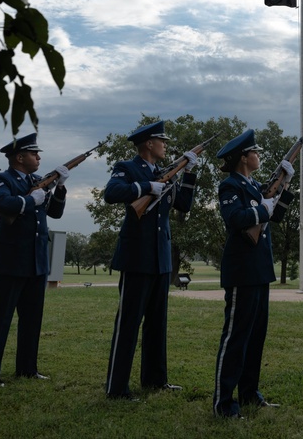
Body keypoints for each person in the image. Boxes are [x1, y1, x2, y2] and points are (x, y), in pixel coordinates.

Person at [103, 120, 199, 400]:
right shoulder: (127, 168)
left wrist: (188, 172)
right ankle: (116, 387)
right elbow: (111, 193)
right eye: (162, 141)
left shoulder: (164, 173)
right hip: (137, 257)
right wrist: (145, 187)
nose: (165, 145)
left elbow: (184, 205)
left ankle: (155, 380)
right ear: (148, 143)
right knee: (128, 323)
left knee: (157, 323)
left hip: (161, 259)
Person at [212, 129, 295, 419]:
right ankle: (223, 403)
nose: (258, 155)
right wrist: (262, 208)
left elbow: (276, 215)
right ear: (244, 158)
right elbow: (235, 218)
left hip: (260, 270)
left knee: (255, 337)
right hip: (241, 271)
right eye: (255, 152)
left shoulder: (257, 186)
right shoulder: (230, 186)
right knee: (235, 338)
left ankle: (249, 393)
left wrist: (284, 184)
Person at [0, 133, 69, 387]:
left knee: (32, 319)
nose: (38, 157)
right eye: (34, 153)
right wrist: (29, 200)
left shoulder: (38, 182)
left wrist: (59, 187)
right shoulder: (1, 179)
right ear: (19, 157)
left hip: (35, 261)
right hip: (9, 260)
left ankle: (27, 368)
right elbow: (2, 204)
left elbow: (55, 213)